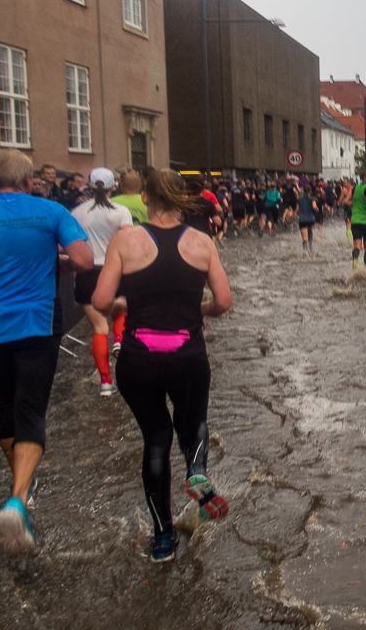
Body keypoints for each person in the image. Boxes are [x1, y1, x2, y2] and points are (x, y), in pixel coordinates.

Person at [92, 169, 232, 563]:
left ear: (147, 199)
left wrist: (124, 305)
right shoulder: (201, 242)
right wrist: (198, 308)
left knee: (156, 438)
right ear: (181, 199)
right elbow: (223, 301)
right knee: (193, 421)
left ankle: (163, 539)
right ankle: (196, 469)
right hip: (188, 353)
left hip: (139, 357)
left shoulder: (125, 239)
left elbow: (102, 301)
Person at [0, 150, 93, 555]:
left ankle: (21, 488)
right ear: (28, 180)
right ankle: (19, 498)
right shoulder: (49, 211)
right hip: (36, 322)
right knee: (32, 409)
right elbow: (84, 260)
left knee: (6, 406)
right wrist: (56, 257)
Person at [71, 168, 133, 396]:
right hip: (115, 269)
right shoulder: (121, 211)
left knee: (98, 327)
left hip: (88, 272)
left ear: (88, 185)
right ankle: (119, 339)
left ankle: (105, 382)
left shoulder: (77, 212)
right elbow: (128, 240)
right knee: (120, 311)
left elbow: (71, 243)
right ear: (113, 187)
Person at [296, 185, 318, 251]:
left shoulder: (299, 199)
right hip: (311, 219)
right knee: (310, 230)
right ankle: (310, 246)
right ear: (311, 191)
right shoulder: (313, 198)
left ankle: (305, 252)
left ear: (303, 191)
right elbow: (314, 207)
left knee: (304, 238)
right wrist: (317, 209)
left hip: (302, 219)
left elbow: (297, 210)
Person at [337, 178, 354, 242]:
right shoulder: (353, 189)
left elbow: (340, 200)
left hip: (347, 208)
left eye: (345, 183)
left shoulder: (344, 190)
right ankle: (355, 239)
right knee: (354, 224)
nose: (344, 184)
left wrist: (340, 200)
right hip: (354, 207)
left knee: (348, 225)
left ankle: (349, 240)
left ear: (349, 183)